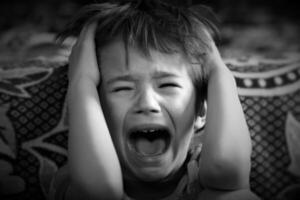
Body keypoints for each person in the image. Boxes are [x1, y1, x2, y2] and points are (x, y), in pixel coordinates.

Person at [49, 0, 260, 199]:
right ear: (97, 111)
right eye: (122, 88)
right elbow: (98, 193)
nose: (147, 104)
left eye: (168, 85)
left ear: (202, 111)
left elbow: (227, 169)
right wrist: (82, 81)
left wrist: (218, 70)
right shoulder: (78, 174)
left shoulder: (203, 173)